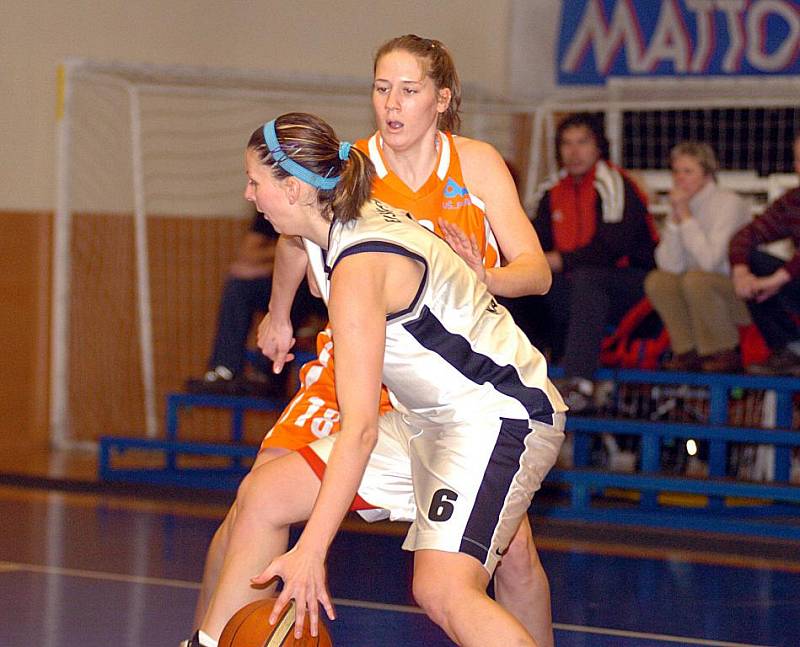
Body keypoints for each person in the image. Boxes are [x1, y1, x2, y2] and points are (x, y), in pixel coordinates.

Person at [187, 35, 558, 647]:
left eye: (407, 90)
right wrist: (279, 315)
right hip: (385, 378)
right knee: (259, 498)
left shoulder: (457, 176)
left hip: (471, 399)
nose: (392, 103)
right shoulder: (348, 174)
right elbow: (292, 240)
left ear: (442, 99)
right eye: (381, 88)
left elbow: (537, 272)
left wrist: (313, 551)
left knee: (479, 571)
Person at [530, 113, 657, 412]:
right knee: (522, 283)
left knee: (588, 279)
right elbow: (534, 242)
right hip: (580, 286)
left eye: (582, 143)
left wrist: (560, 260)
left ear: (598, 147)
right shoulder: (550, 191)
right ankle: (520, 374)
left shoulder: (614, 184)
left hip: (632, 283)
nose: (574, 152)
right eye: (567, 144)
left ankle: (580, 382)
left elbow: (612, 247)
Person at [183, 211, 322, 396]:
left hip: (331, 290)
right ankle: (225, 368)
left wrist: (301, 247)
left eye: (254, 184)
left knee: (296, 290)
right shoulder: (270, 206)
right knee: (240, 284)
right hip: (298, 285)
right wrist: (290, 251)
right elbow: (249, 254)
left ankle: (270, 372)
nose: (249, 193)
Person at [644, 142, 752, 373]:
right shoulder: (683, 205)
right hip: (698, 290)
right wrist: (675, 221)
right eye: (676, 171)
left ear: (707, 173)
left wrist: (686, 217)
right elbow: (668, 266)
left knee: (697, 279)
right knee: (658, 281)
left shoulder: (728, 203)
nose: (679, 178)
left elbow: (710, 262)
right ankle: (687, 350)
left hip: (736, 294)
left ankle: (724, 350)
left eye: (688, 171)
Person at [729, 132, 800, 376]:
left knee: (770, 277)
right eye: (799, 160)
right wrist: (741, 273)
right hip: (794, 280)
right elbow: (745, 236)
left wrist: (775, 280)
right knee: (751, 262)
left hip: (790, 276)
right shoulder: (793, 200)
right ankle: (790, 349)